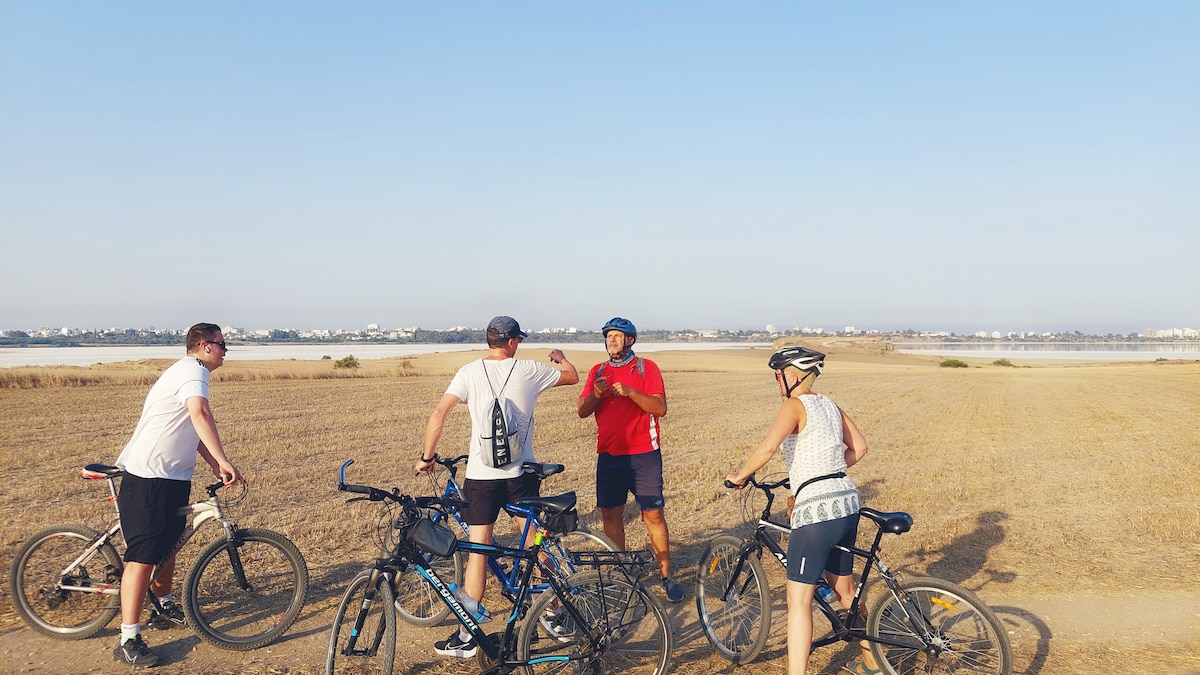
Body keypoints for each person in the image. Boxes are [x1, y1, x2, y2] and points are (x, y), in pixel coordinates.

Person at [415, 315, 578, 659]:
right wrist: (561, 358)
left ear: (489, 341)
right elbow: (572, 376)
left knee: (479, 550)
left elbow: (438, 414)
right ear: (513, 342)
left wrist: (427, 457)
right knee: (534, 541)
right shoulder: (530, 370)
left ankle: (467, 636)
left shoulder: (469, 372)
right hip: (521, 474)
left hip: (482, 476)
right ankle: (553, 613)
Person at [725, 346, 877, 675]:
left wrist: (740, 476)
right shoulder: (830, 405)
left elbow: (768, 447)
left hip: (818, 510)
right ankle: (873, 662)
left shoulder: (794, 405)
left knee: (798, 599)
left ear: (792, 375)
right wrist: (823, 472)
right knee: (846, 591)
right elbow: (860, 448)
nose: (776, 382)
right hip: (847, 502)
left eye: (777, 375)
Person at [112, 323, 243, 668]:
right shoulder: (193, 371)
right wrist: (224, 459)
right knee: (142, 558)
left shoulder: (193, 373)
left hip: (172, 477)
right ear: (205, 346)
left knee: (169, 545)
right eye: (222, 344)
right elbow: (200, 413)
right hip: (149, 476)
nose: (226, 350)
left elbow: (192, 429)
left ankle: (164, 607)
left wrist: (215, 464)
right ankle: (128, 639)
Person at [577, 317, 683, 603]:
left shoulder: (647, 368)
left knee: (653, 515)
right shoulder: (598, 371)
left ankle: (666, 576)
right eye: (608, 336)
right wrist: (596, 394)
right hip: (609, 456)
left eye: (617, 335)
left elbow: (660, 408)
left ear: (630, 340)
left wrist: (631, 392)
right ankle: (621, 572)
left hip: (644, 455)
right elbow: (582, 410)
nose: (611, 340)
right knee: (610, 515)